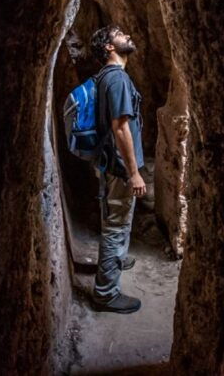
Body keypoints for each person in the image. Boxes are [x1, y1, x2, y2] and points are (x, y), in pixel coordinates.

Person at [90, 25, 146, 314]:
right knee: (117, 225)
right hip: (121, 167)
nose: (126, 35)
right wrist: (134, 172)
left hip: (109, 163)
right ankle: (106, 293)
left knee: (114, 218)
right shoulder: (117, 79)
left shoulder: (104, 78)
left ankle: (116, 259)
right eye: (119, 34)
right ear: (109, 47)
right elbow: (121, 127)